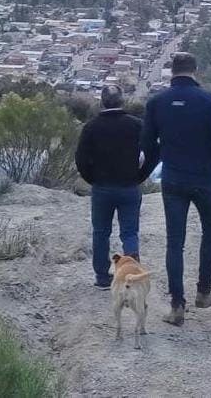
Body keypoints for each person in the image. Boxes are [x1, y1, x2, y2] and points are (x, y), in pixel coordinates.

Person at [141, 52, 211, 326]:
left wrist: (162, 158)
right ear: (195, 70)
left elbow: (147, 143)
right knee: (209, 234)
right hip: (205, 178)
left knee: (174, 242)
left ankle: (177, 306)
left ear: (171, 71)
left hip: (174, 178)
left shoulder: (157, 102)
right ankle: (203, 292)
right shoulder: (209, 101)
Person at [75, 85, 156, 290]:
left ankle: (103, 277)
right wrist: (141, 175)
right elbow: (154, 151)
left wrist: (92, 179)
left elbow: (81, 159)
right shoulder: (136, 125)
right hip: (129, 186)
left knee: (101, 232)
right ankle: (132, 275)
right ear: (122, 101)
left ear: (102, 102)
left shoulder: (91, 127)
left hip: (102, 187)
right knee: (129, 232)